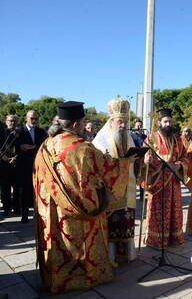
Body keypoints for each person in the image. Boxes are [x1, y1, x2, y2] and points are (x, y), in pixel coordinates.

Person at [33, 101, 133, 293]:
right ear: (76, 125)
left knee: (58, 244)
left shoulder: (45, 145)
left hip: (52, 211)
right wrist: (127, 162)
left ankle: (55, 278)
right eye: (83, 121)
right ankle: (86, 276)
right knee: (82, 244)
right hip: (81, 211)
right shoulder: (82, 148)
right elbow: (107, 170)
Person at [93, 97, 139, 264]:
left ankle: (127, 255)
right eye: (120, 121)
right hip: (110, 190)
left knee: (126, 219)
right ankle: (110, 256)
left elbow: (133, 161)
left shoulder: (129, 137)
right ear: (111, 121)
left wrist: (140, 159)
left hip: (127, 187)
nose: (123, 125)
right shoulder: (100, 139)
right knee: (112, 223)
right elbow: (100, 165)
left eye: (126, 122)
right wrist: (126, 161)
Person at [143, 108, 188, 249]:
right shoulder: (151, 138)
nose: (168, 124)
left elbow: (186, 158)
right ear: (159, 123)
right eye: (165, 121)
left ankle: (173, 239)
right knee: (158, 212)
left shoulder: (178, 140)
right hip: (157, 183)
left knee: (174, 211)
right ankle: (155, 240)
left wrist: (179, 166)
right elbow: (142, 159)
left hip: (173, 182)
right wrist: (146, 161)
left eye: (170, 121)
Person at [16, 110, 48, 222]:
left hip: (38, 164)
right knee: (25, 190)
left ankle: (38, 214)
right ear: (26, 118)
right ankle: (24, 215)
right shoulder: (19, 132)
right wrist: (20, 147)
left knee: (38, 190)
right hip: (24, 165)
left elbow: (46, 145)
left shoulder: (41, 132)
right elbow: (13, 146)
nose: (34, 121)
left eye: (36, 118)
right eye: (31, 118)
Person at [0, 115, 20, 216]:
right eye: (10, 121)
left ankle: (17, 208)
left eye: (14, 121)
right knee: (5, 188)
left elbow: (21, 147)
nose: (12, 122)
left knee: (17, 188)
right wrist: (7, 159)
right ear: (6, 122)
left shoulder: (21, 133)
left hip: (17, 164)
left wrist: (15, 158)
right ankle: (7, 209)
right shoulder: (1, 133)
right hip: (4, 165)